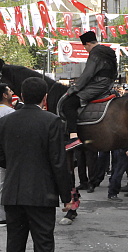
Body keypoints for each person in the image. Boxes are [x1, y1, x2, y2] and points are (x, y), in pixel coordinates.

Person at [0, 77, 72, 251]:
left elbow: (1, 157)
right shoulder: (52, 121)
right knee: (44, 243)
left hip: (13, 193)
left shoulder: (5, 122)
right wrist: (67, 197)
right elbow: (58, 162)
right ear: (45, 97)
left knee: (15, 243)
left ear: (22, 96)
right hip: (42, 193)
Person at [63, 31, 118, 151]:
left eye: (85, 47)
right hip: (108, 85)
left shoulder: (95, 53)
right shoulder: (109, 52)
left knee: (69, 103)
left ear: (87, 44)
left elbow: (87, 74)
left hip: (98, 85)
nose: (86, 50)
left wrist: (73, 89)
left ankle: (73, 137)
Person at [0, 83, 14, 227]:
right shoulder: (10, 113)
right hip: (4, 155)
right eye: (9, 91)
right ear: (4, 95)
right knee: (3, 184)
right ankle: (3, 215)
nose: (12, 92)